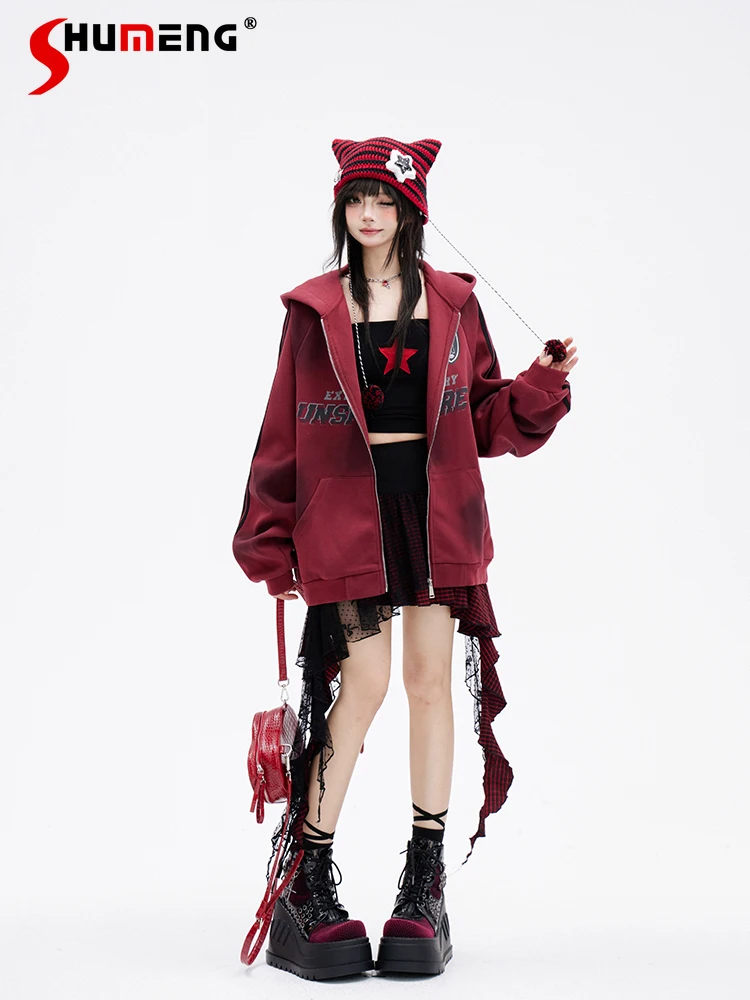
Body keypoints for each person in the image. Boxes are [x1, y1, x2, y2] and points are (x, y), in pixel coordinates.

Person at [232, 136, 578, 980]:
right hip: (347, 513)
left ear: (411, 209)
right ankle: (306, 877)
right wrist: (269, 534)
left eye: (384, 201)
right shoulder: (314, 309)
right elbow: (282, 428)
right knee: (363, 687)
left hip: (435, 510)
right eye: (356, 200)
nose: (369, 214)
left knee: (429, 685)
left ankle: (425, 887)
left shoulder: (453, 303)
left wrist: (539, 381)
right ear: (341, 209)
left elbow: (484, 418)